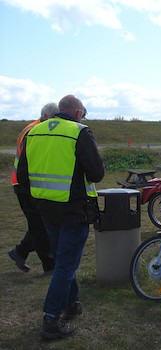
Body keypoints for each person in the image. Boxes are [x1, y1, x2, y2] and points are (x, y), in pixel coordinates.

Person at [17, 94, 105, 340]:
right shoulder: (80, 132)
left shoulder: (34, 132)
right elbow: (97, 173)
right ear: (78, 112)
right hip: (74, 210)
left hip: (46, 209)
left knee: (64, 260)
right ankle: (50, 320)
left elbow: (22, 175)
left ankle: (72, 303)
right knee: (65, 266)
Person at [8, 103, 58, 273]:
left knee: (39, 224)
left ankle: (19, 252)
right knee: (39, 226)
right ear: (46, 116)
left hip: (27, 184)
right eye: (54, 118)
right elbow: (27, 164)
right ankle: (49, 265)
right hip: (25, 186)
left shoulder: (33, 128)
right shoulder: (35, 131)